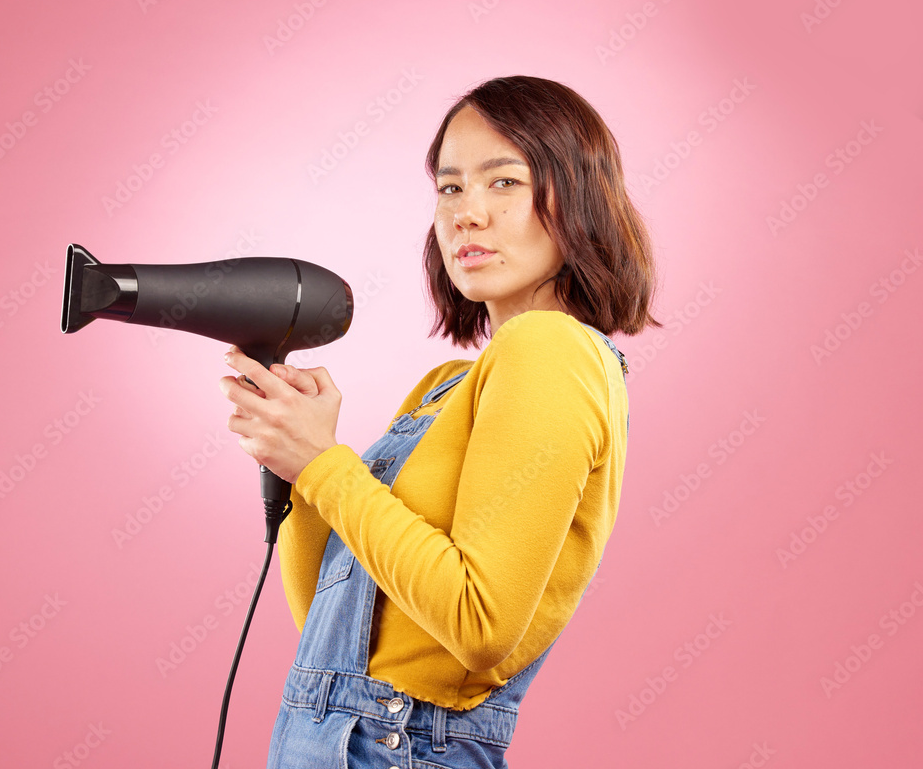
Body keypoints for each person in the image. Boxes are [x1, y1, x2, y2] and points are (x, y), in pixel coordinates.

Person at [219, 75, 659, 769]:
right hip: (327, 737)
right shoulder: (447, 386)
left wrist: (325, 466)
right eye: (450, 188)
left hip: (398, 748)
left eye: (504, 182)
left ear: (577, 197)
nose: (466, 214)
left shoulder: (550, 349)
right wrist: (300, 471)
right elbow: (333, 637)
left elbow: (478, 625)